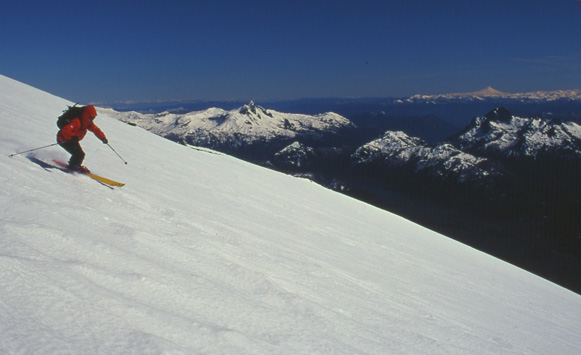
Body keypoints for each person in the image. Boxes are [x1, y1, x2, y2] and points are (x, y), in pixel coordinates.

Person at [57, 105, 108, 172]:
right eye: (90, 118)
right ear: (86, 115)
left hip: (72, 140)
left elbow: (95, 130)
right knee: (79, 154)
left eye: (93, 118)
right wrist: (72, 136)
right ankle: (74, 166)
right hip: (64, 140)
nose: (91, 120)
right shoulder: (76, 122)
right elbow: (65, 131)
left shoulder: (87, 123)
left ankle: (74, 165)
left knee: (79, 154)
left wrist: (102, 138)